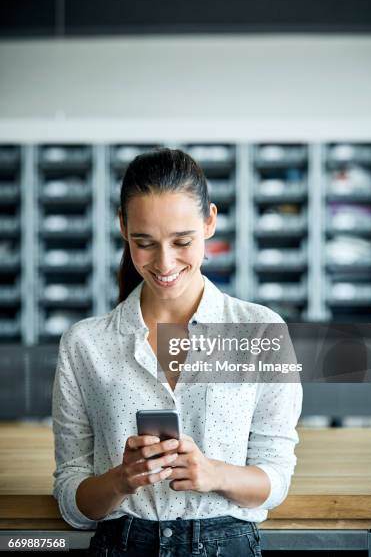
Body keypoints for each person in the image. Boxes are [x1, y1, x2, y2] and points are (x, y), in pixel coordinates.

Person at [52, 148, 303, 557]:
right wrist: (121, 479)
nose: (164, 262)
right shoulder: (85, 344)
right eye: (144, 243)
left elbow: (275, 480)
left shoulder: (261, 330)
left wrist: (214, 474)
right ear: (123, 228)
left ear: (209, 222)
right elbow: (71, 499)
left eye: (182, 241)